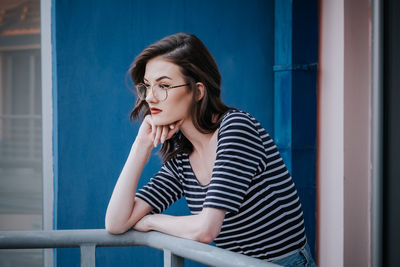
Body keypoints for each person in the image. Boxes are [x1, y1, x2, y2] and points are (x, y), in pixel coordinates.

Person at [105, 33, 317, 266]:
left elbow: (206, 229)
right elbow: (116, 222)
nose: (151, 98)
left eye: (163, 85)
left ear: (198, 91)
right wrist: (140, 147)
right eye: (147, 86)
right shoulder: (183, 157)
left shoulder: (236, 129)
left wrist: (151, 222)